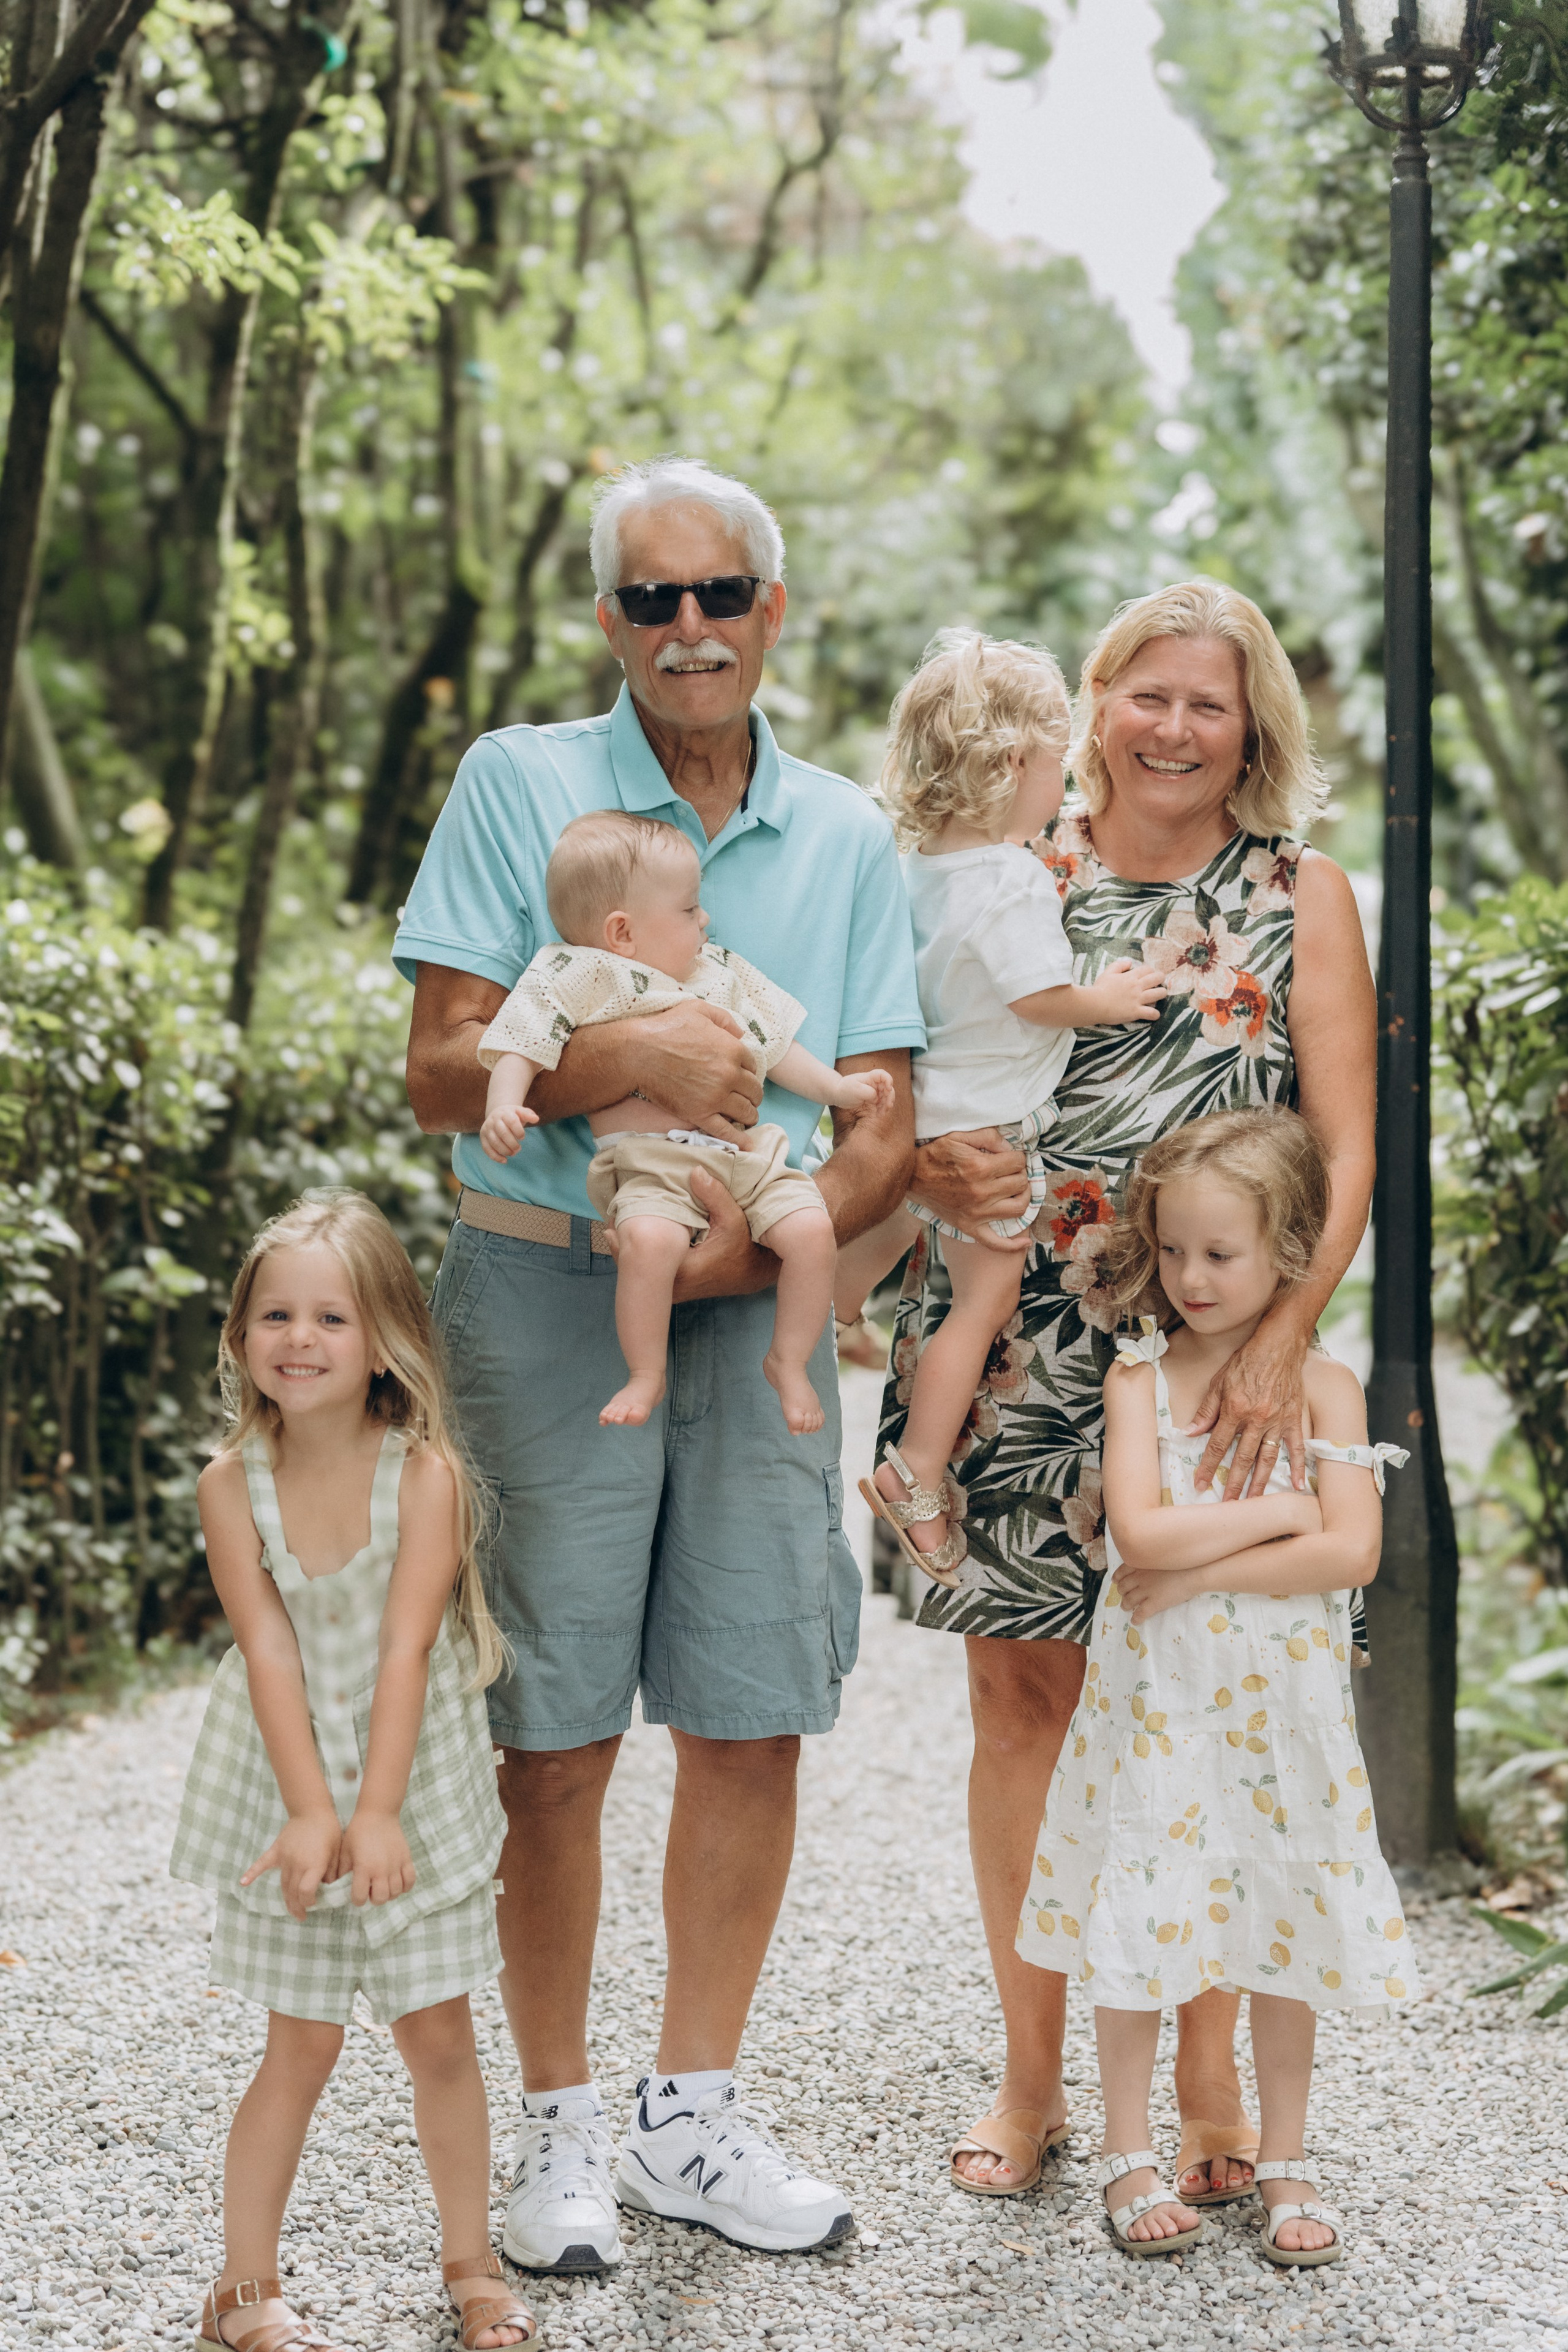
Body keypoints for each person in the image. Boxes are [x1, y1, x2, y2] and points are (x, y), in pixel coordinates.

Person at [395, 456, 923, 2269]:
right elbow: (441, 1065)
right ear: (609, 620)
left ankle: (690, 2113)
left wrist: (733, 1248)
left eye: (720, 597)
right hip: (549, 1296)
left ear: (772, 613)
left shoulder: (849, 834)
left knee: (752, 1704)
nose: (686, 630)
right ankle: (556, 2133)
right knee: (545, 1731)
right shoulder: (519, 784)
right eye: (650, 600)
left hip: (748, 1307)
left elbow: (880, 1117)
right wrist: (632, 1068)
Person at [880, 581, 1377, 2203]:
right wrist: (922, 1168)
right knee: (1023, 1707)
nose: (1172, 726)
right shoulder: (1004, 868)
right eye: (1143, 694)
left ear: (1254, 726)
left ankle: (1217, 2090)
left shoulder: (1302, 892)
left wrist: (1290, 1342)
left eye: (1207, 701)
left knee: (1207, 1709)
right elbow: (899, 1070)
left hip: (1218, 1352)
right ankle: (1031, 2081)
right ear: (1092, 707)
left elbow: (1348, 1143)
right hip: (1010, 1331)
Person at [1019, 1107, 1413, 2263]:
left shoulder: (1327, 1389)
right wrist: (1287, 1511)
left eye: (1221, 1254)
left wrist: (1223, 1559)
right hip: (1162, 1714)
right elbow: (1140, 1535)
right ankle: (1128, 2152)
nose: (1190, 1277)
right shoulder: (1140, 1375)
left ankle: (1286, 2159)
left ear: (1290, 1251)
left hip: (1282, 1718)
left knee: (1279, 1929)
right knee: (1145, 1913)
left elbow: (1352, 1554)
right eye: (1175, 1249)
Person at [171, 1194, 536, 2352]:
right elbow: (267, 1645)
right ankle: (243, 2287)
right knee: (301, 2042)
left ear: (382, 1338)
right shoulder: (232, 1484)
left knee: (439, 2034)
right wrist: (312, 1810)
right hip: (286, 1779)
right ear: (240, 1339)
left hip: (408, 1777)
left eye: (332, 1315)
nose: (301, 1338)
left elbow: (405, 1646)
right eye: (275, 1314)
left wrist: (374, 1811)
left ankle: (471, 2261)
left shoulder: (420, 1473)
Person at [834, 631, 1165, 1576]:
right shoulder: (1011, 876)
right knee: (981, 1306)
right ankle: (918, 1473)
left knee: (898, 1223)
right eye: (1056, 767)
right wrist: (1108, 998)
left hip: (930, 1103)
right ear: (1008, 764)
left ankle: (826, 1303)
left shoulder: (915, 867)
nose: (1063, 791)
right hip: (988, 1125)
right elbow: (1035, 996)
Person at [479, 808, 892, 1433]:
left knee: (811, 1231)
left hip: (746, 1156)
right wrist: (503, 1105)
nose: (705, 919)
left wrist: (839, 1087)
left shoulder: (717, 971)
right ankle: (645, 1372)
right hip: (650, 1165)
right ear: (621, 932)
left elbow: (776, 1045)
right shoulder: (578, 973)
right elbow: (522, 1041)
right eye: (688, 909)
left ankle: (789, 1359)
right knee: (649, 1244)